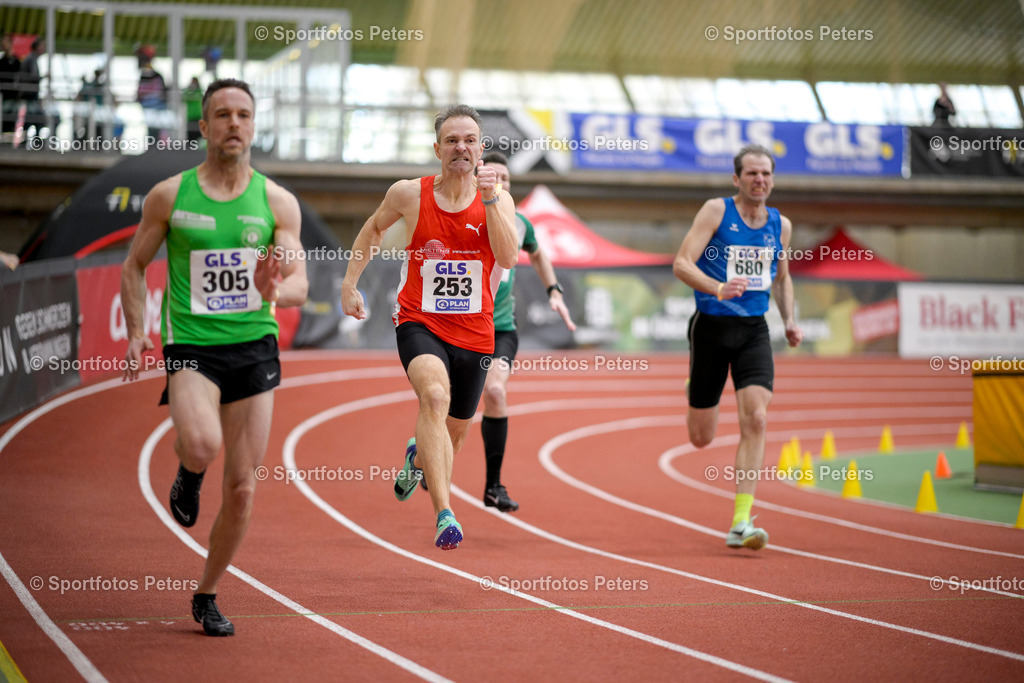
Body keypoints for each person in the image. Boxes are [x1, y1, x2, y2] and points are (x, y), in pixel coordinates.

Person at [121, 78, 308, 635]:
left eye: (243, 114)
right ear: (203, 127)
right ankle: (187, 470)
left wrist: (275, 289)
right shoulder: (170, 195)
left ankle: (207, 592)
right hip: (192, 347)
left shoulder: (277, 202)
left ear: (254, 126)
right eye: (222, 114)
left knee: (244, 487)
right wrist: (136, 331)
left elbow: (299, 282)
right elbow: (134, 265)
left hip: (254, 348)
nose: (234, 123)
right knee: (202, 443)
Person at [341, 104, 518, 550]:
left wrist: (493, 200)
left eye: (471, 140)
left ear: (481, 149)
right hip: (419, 320)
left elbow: (509, 256)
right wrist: (349, 283)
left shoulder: (498, 197)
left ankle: (416, 457)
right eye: (453, 140)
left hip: (477, 331)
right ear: (437, 148)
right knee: (434, 397)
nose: (462, 147)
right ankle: (445, 513)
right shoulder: (408, 193)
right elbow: (372, 230)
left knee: (452, 436)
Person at [672, 143, 802, 551]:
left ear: (773, 180)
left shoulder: (780, 225)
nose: (759, 180)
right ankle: (697, 386)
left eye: (765, 174)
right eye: (751, 174)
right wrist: (717, 288)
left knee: (757, 419)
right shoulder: (716, 211)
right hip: (710, 329)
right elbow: (681, 263)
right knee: (700, 437)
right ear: (736, 178)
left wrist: (790, 321)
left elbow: (781, 278)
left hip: (753, 332)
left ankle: (741, 521)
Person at [475, 150, 576, 512]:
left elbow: (538, 254)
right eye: (493, 176)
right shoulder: (463, 216)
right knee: (447, 404)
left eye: (506, 179)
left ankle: (493, 486)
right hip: (460, 328)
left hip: (500, 328)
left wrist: (554, 291)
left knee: (496, 393)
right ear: (478, 179)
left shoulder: (519, 223)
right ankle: (423, 453)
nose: (500, 183)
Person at [136, 45, 168, 141]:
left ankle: (155, 147)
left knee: (155, 130)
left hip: (156, 107)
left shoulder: (155, 76)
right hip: (149, 107)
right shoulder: (147, 75)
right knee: (152, 130)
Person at [0, 34, 21, 139]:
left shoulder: (16, 61)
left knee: (13, 118)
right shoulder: (2, 61)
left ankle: (10, 138)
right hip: (3, 95)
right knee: (4, 118)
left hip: (13, 95)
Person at [184, 76, 203, 142]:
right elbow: (184, 97)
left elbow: (199, 97)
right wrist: (190, 89)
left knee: (198, 134)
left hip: (198, 116)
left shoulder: (199, 91)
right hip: (190, 116)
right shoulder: (188, 91)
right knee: (190, 134)